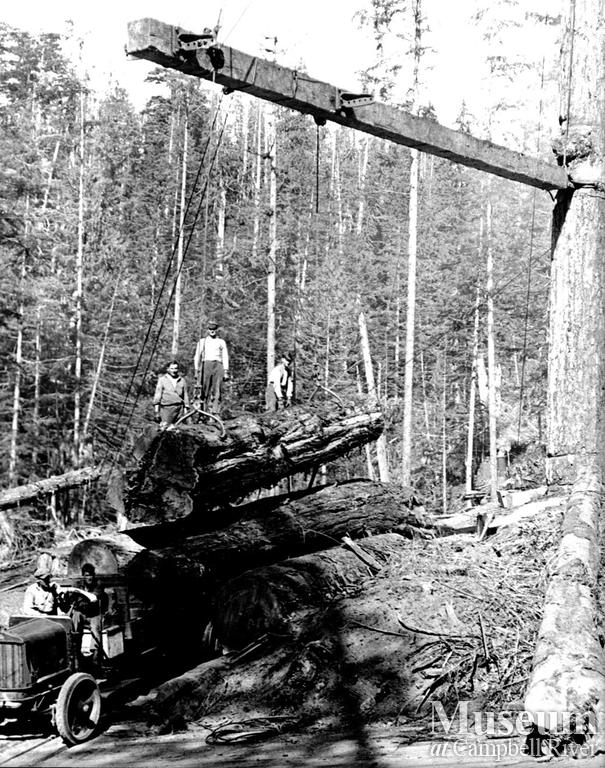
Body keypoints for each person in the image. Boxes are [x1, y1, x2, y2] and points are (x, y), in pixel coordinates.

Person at [193, 321, 230, 414]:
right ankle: (202, 412)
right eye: (210, 329)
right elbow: (197, 356)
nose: (212, 331)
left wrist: (226, 371)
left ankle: (215, 412)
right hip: (206, 365)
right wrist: (196, 370)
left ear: (217, 330)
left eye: (214, 329)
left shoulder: (221, 342)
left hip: (218, 365)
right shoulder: (203, 341)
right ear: (208, 330)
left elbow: (225, 356)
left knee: (217, 390)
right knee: (203, 389)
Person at [153, 360, 190, 427]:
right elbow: (157, 396)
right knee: (166, 428)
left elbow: (185, 396)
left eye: (176, 368)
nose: (174, 371)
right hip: (167, 408)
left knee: (179, 429)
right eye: (172, 368)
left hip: (179, 409)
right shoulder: (162, 380)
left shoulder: (182, 380)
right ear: (168, 369)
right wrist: (156, 412)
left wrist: (185, 411)